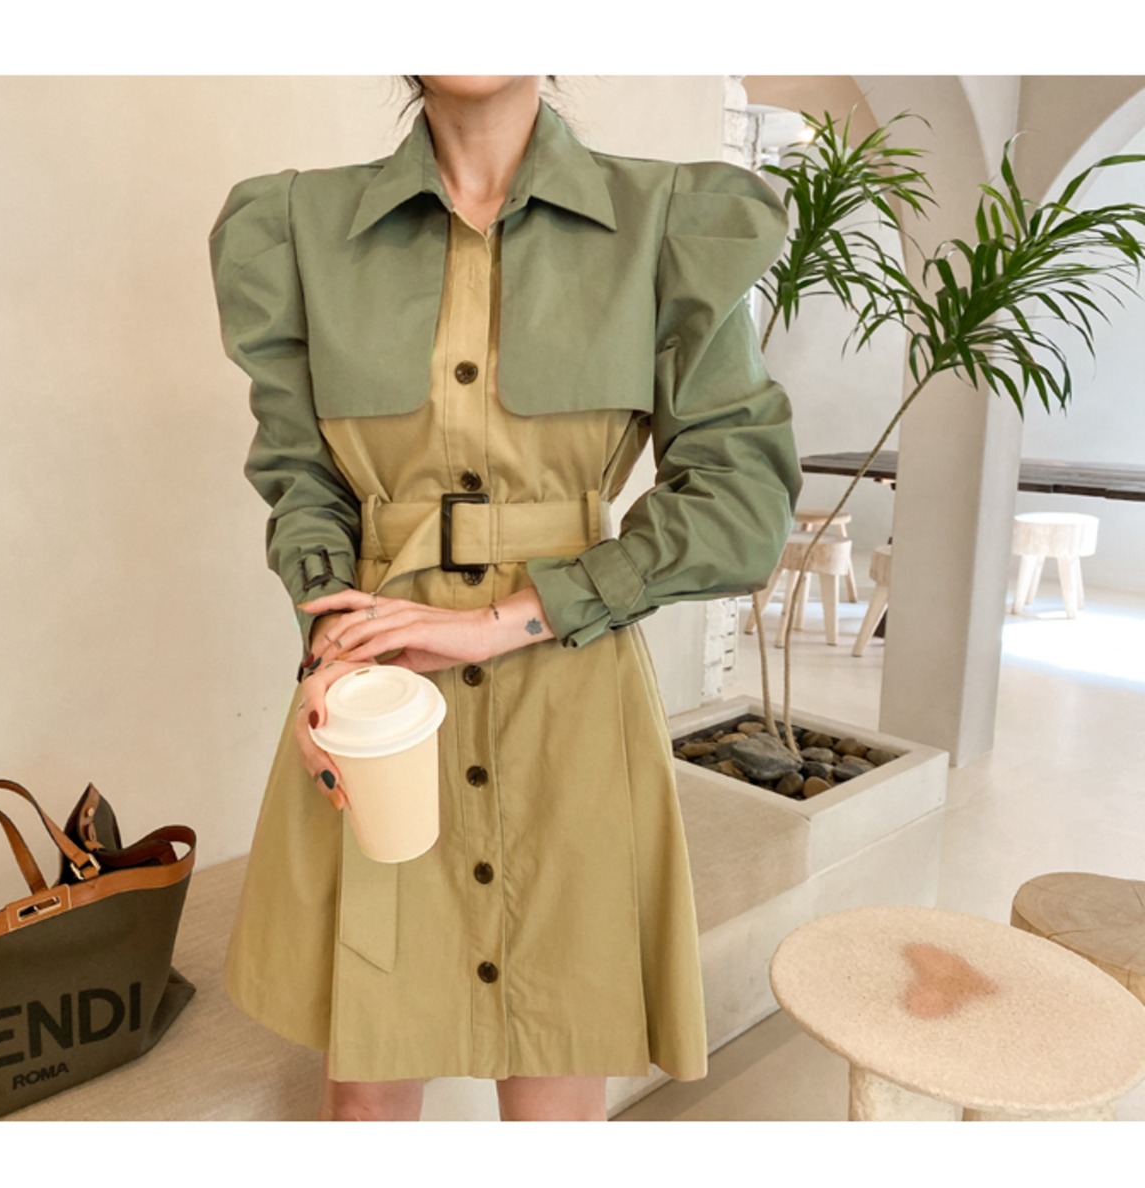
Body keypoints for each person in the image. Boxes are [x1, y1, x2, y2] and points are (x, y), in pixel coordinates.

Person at [208, 75, 801, 1122]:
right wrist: (327, 660)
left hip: (569, 691)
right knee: (368, 1090)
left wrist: (503, 620)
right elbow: (303, 482)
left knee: (554, 1084)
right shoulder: (298, 228)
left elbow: (738, 500)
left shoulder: (662, 221)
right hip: (384, 699)